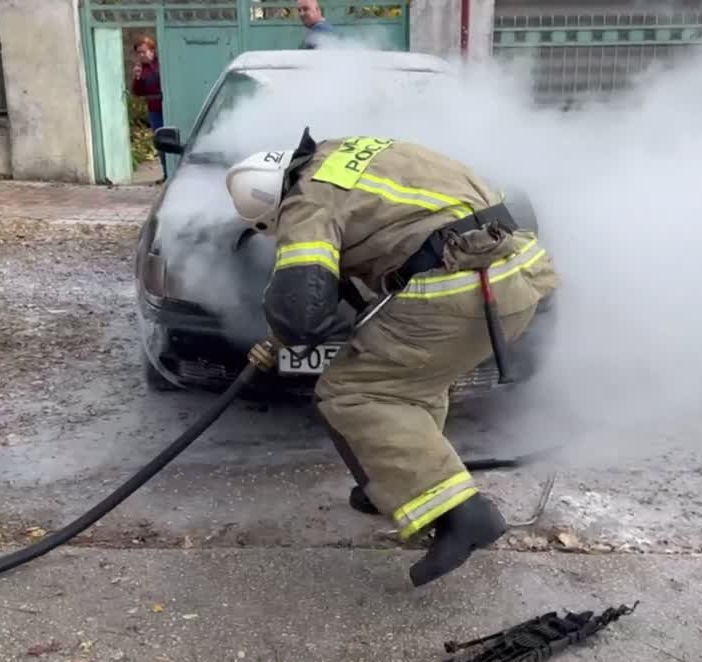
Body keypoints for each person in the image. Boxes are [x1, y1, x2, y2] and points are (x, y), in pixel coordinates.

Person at [226, 129, 560, 588]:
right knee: (413, 383)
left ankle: (464, 516)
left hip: (462, 288)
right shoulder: (346, 153)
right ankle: (400, 487)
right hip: (519, 273)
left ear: (274, 201)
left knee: (351, 392)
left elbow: (301, 306)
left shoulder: (306, 200)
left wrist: (280, 337)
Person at [130, 36, 166, 182]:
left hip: (168, 105)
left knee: (174, 139)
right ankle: (166, 173)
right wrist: (137, 79)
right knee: (161, 141)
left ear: (152, 51)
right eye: (139, 52)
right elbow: (137, 92)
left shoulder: (161, 63)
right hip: (154, 109)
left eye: (144, 51)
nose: (141, 55)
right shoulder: (141, 70)